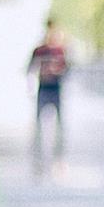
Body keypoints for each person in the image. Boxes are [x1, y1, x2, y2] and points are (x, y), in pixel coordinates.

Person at [26, 19, 69, 167]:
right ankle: (37, 159)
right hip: (43, 89)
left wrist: (58, 71)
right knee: (38, 125)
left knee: (59, 125)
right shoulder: (39, 50)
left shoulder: (61, 51)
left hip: (56, 89)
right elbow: (30, 69)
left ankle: (58, 159)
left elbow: (67, 69)